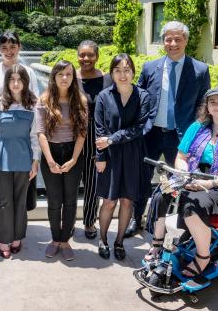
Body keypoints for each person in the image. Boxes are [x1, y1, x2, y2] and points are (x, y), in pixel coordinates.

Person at [145, 87, 218, 280]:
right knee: (163, 192)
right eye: (213, 102)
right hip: (191, 179)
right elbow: (181, 156)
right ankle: (157, 243)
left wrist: (211, 184)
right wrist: (183, 174)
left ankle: (203, 256)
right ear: (207, 106)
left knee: (192, 205)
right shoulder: (198, 127)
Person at [127, 21, 211, 237]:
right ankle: (137, 218)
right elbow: (139, 99)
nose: (173, 43)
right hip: (151, 134)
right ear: (163, 41)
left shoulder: (200, 70)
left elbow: (204, 106)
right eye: (168, 39)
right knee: (141, 178)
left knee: (182, 180)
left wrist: (200, 135)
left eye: (178, 39)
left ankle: (180, 222)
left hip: (181, 137)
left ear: (186, 41)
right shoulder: (149, 67)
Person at [0, 31, 40, 235]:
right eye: (4, 47)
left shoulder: (28, 72)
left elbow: (35, 100)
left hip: (22, 134)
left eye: (13, 47)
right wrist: (2, 114)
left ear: (19, 47)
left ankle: (16, 225)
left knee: (19, 188)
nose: (9, 51)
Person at [95, 54, 150, 260]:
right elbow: (99, 129)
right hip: (109, 155)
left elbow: (139, 128)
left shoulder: (143, 96)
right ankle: (103, 239)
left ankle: (119, 242)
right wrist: (100, 155)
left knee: (127, 201)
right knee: (109, 201)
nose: (122, 74)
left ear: (133, 72)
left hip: (133, 154)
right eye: (117, 70)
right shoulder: (103, 96)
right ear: (111, 73)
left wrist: (112, 139)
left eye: (127, 70)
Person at [0, 64, 40, 259]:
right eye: (12, 79)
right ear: (7, 82)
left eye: (20, 79)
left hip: (24, 159)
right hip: (3, 158)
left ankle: (17, 236)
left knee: (20, 200)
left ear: (25, 82)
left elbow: (35, 135)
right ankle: (3, 239)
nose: (16, 83)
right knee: (4, 201)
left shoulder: (33, 104)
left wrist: (36, 161)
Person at [37, 61, 88, 261]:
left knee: (70, 200)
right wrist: (49, 160)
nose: (64, 78)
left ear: (73, 77)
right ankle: (55, 239)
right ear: (54, 77)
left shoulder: (80, 100)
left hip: (72, 152)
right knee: (54, 200)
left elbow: (82, 134)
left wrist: (74, 159)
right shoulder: (44, 99)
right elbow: (40, 133)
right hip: (50, 153)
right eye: (60, 74)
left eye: (68, 74)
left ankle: (65, 240)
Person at [76, 40, 111, 240]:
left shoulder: (106, 79)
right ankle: (67, 222)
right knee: (70, 183)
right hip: (71, 136)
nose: (86, 59)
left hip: (96, 137)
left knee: (91, 182)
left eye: (90, 55)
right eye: (82, 55)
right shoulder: (71, 78)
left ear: (97, 56)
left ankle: (89, 221)